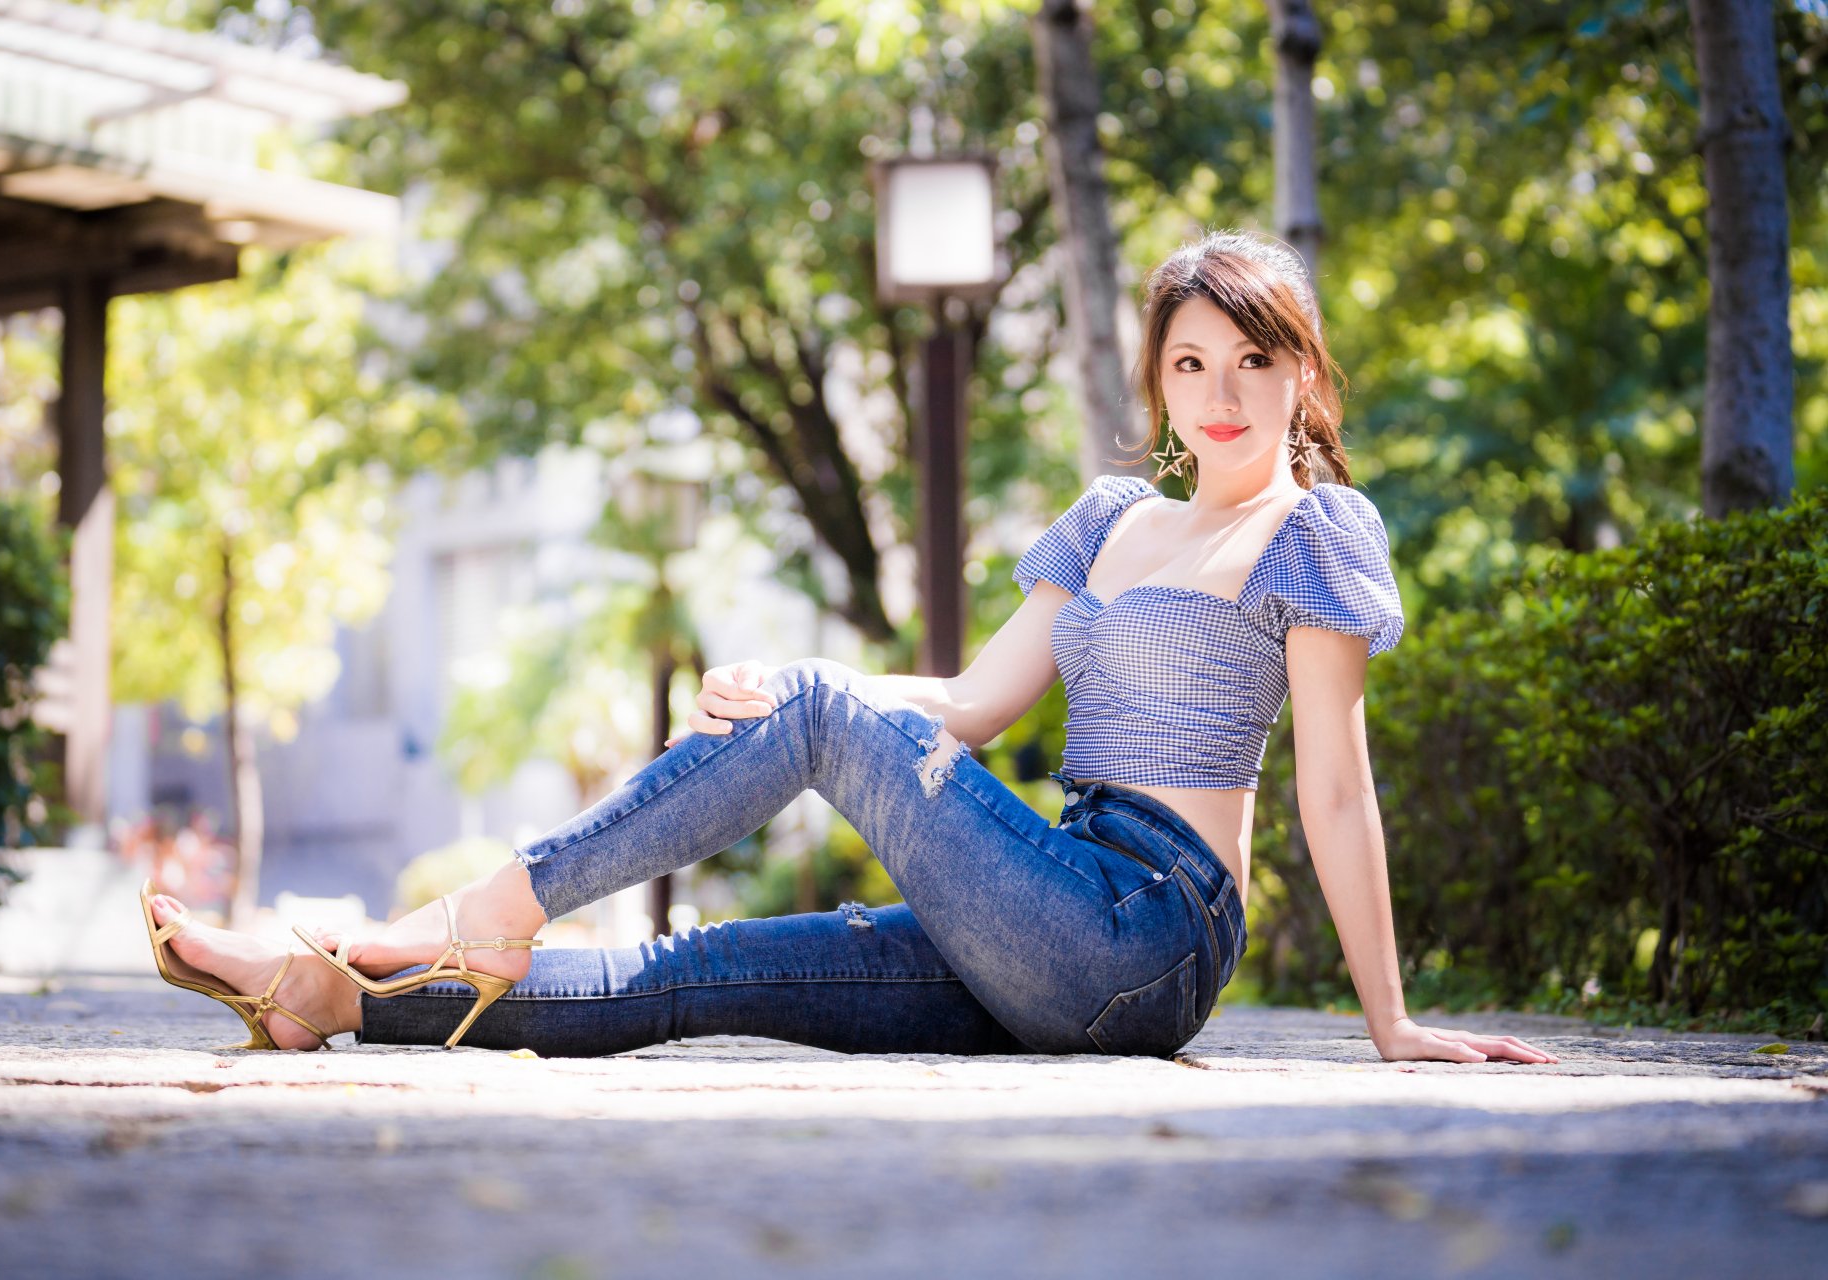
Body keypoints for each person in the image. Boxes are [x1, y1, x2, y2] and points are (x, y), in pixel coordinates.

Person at [141, 229, 1557, 1066]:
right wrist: (789, 698)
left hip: (1149, 933)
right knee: (699, 971)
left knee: (815, 717)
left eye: (1253, 360)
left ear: (1302, 369)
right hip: (1036, 907)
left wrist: (1391, 1021)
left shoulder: (1317, 531)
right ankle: (332, 996)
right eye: (1191, 363)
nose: (1223, 393)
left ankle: (483, 908)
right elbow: (971, 705)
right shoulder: (1114, 520)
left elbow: (1336, 787)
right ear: (1160, 382)